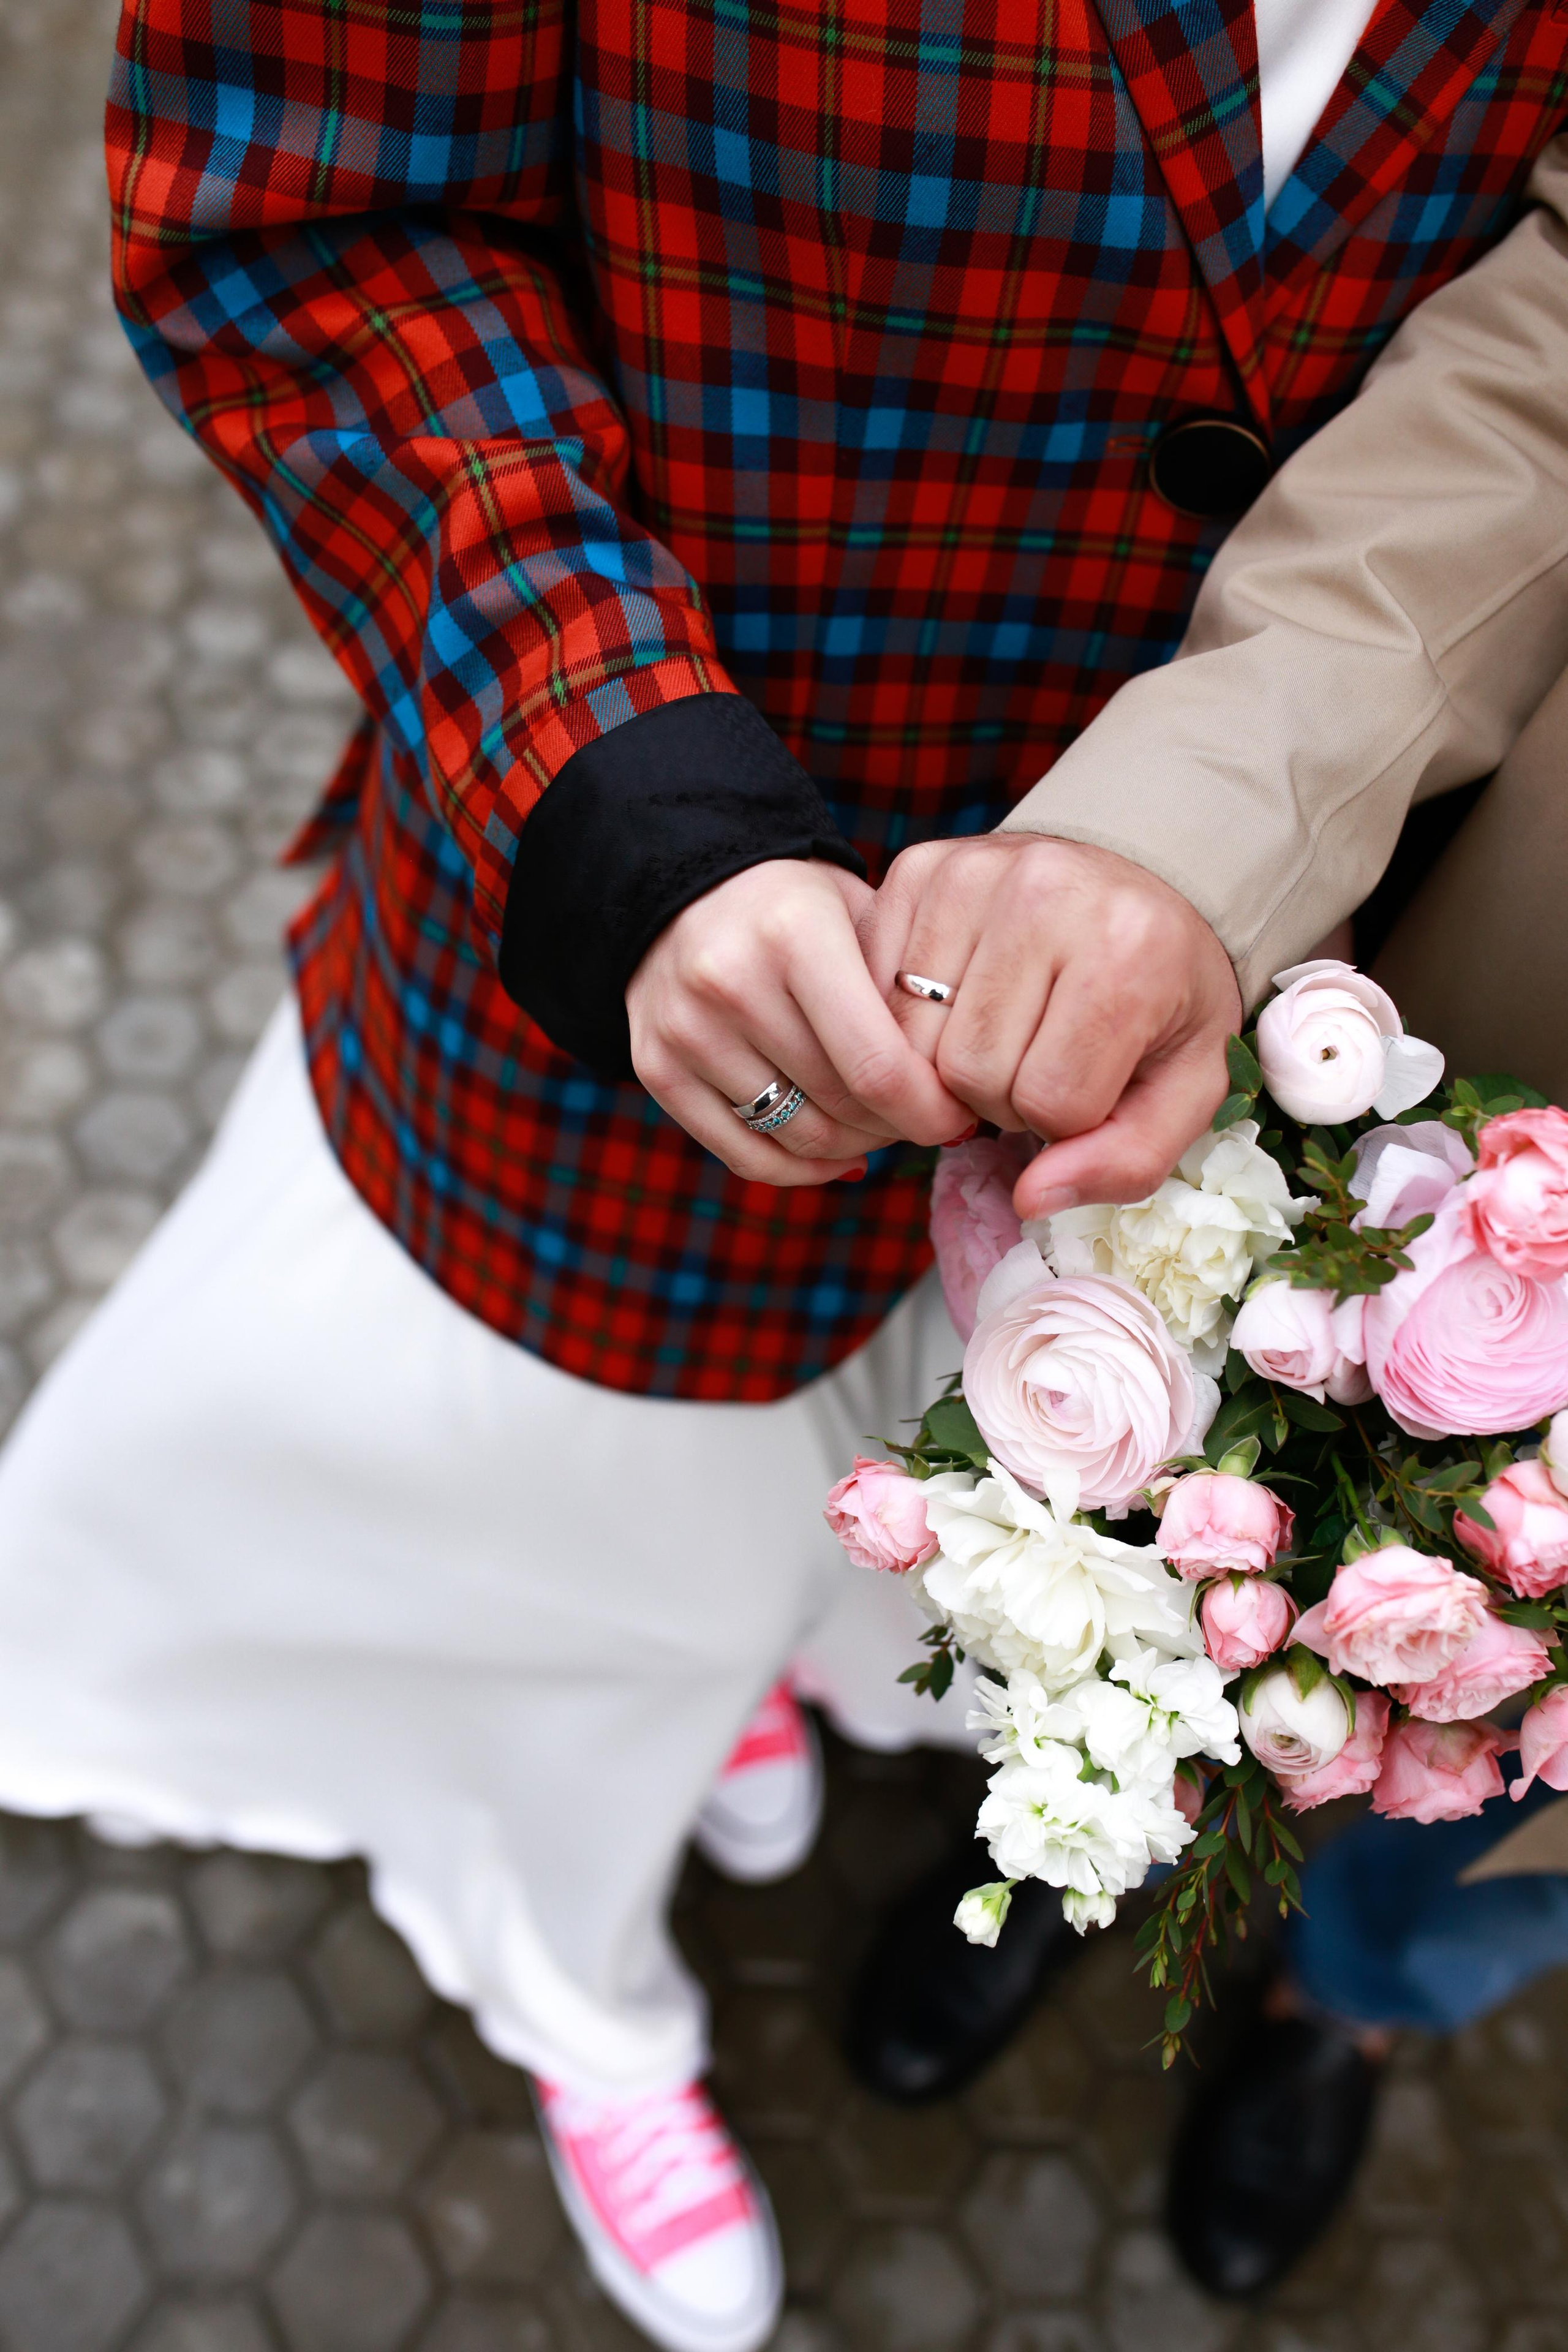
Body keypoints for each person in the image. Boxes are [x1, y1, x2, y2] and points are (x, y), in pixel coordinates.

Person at [0, 2, 1562, 2347]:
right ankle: (580, 1991)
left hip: (1246, 1040)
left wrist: (1210, 839)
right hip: (624, 977)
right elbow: (307, 207)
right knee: (543, 1591)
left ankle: (747, 1711)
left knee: (868, 1586)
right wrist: (618, 775)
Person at [849, 121, 1568, 2297]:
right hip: (1492, 1106)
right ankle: (1086, 1861)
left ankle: (1349, 2004)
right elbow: (1540, 377)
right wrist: (1173, 852)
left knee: (1492, 1832)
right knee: (1216, 1584)